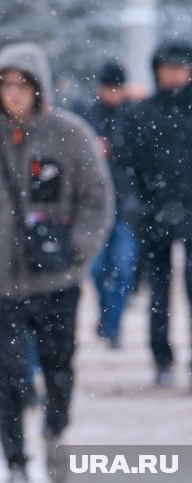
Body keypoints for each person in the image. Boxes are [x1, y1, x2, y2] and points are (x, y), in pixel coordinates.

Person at [0, 42, 113, 483]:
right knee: (8, 378)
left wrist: (77, 249)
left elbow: (97, 200)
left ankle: (56, 434)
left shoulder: (71, 135)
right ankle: (16, 462)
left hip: (57, 280)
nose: (14, 93)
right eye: (6, 85)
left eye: (23, 84)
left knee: (59, 369)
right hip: (0, 283)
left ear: (39, 88)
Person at [123, 40, 192, 388]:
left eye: (182, 67)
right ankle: (162, 360)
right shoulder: (141, 113)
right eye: (170, 67)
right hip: (154, 218)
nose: (176, 73)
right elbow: (126, 165)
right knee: (158, 296)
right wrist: (137, 205)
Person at [78, 60, 137, 350]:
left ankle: (114, 326)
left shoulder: (134, 116)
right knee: (99, 269)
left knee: (123, 268)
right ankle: (106, 317)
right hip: (95, 206)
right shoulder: (88, 116)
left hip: (127, 207)